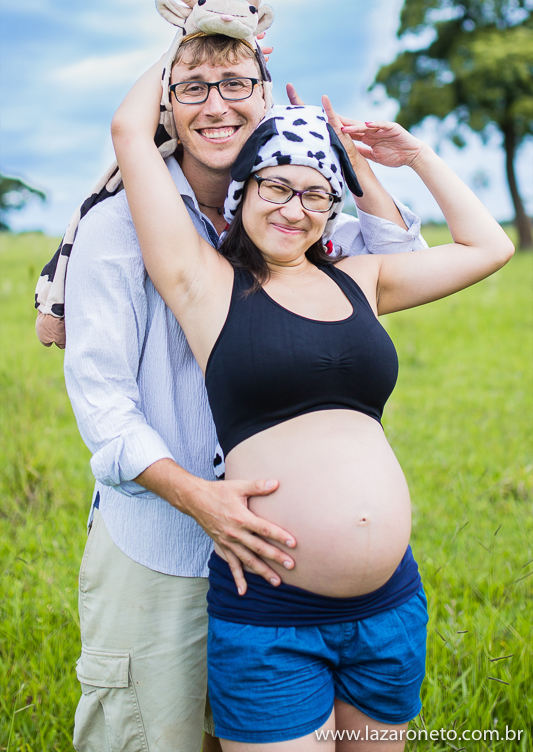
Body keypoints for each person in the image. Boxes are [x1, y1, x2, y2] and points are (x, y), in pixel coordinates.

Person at [110, 57, 514, 751]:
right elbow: (128, 130)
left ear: (332, 208)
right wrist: (201, 37)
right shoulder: (206, 285)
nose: (293, 209)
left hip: (388, 606)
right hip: (272, 614)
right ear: (243, 190)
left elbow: (490, 246)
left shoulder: (362, 277)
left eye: (314, 194)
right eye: (275, 186)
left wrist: (412, 156)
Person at [65, 32, 430, 752]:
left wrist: (351, 161)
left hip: (294, 579)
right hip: (165, 543)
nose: (215, 104)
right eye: (191, 86)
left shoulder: (293, 217)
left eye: (236, 83)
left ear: (265, 96)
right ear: (167, 99)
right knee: (157, 737)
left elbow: (396, 258)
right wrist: (201, 498)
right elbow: (103, 406)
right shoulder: (118, 226)